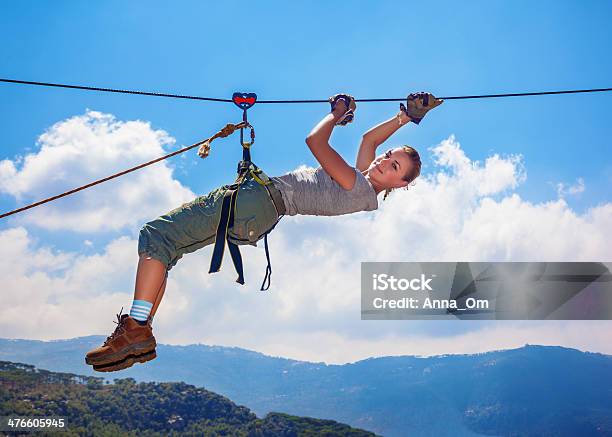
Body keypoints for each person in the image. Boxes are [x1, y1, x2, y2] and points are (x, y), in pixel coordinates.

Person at [84, 92, 443, 372]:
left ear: (400, 184)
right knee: (168, 247)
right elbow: (367, 141)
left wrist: (335, 116)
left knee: (157, 236)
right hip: (260, 210)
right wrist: (405, 117)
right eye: (388, 156)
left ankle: (136, 329)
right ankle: (138, 333)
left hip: (261, 202)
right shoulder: (365, 182)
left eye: (393, 166)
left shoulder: (359, 188)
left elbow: (315, 142)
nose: (382, 161)